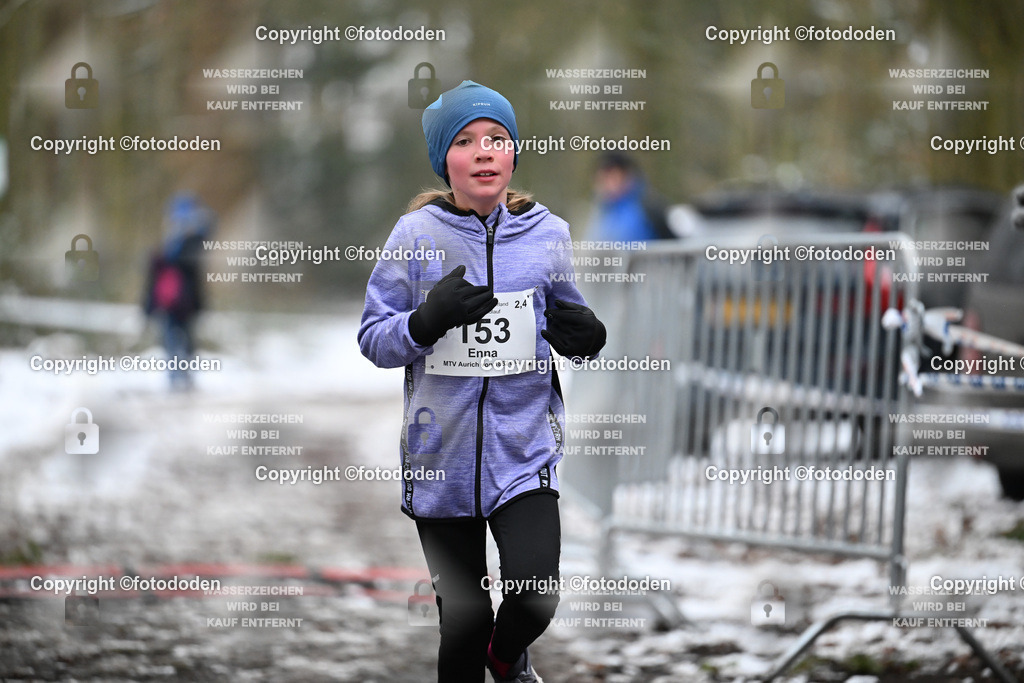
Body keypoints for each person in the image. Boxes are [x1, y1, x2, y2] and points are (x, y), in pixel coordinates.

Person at [358, 81, 606, 682]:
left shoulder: (549, 234)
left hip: (524, 451)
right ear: (444, 160)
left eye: (497, 138)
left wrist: (587, 337)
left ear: (514, 152)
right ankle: (483, 651)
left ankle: (506, 655)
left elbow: (567, 317)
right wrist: (424, 322)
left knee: (536, 594)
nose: (484, 151)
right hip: (439, 460)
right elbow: (374, 337)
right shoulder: (415, 235)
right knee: (465, 621)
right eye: (465, 141)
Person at [143, 193, 212, 391]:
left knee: (185, 343)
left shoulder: (192, 244)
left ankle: (183, 378)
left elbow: (208, 231)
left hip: (185, 305)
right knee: (172, 342)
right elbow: (154, 280)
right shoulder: (167, 249)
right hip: (171, 305)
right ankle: (176, 379)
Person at [589, 151, 674, 242]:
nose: (608, 183)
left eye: (613, 176)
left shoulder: (649, 207)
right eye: (604, 177)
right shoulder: (601, 212)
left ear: (626, 175)